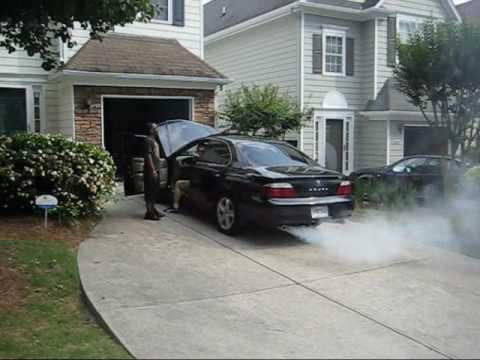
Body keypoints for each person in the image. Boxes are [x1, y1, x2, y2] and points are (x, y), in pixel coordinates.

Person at [166, 143, 207, 214]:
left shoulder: (199, 160)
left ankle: (175, 207)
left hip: (196, 183)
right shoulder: (203, 159)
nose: (199, 152)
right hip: (201, 182)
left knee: (178, 184)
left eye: (200, 150)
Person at [144, 122, 165, 221]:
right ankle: (149, 213)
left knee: (154, 191)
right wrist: (152, 170)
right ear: (151, 130)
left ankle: (153, 209)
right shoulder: (148, 140)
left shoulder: (154, 140)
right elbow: (148, 156)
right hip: (150, 170)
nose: (157, 129)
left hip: (156, 169)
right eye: (155, 128)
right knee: (149, 191)